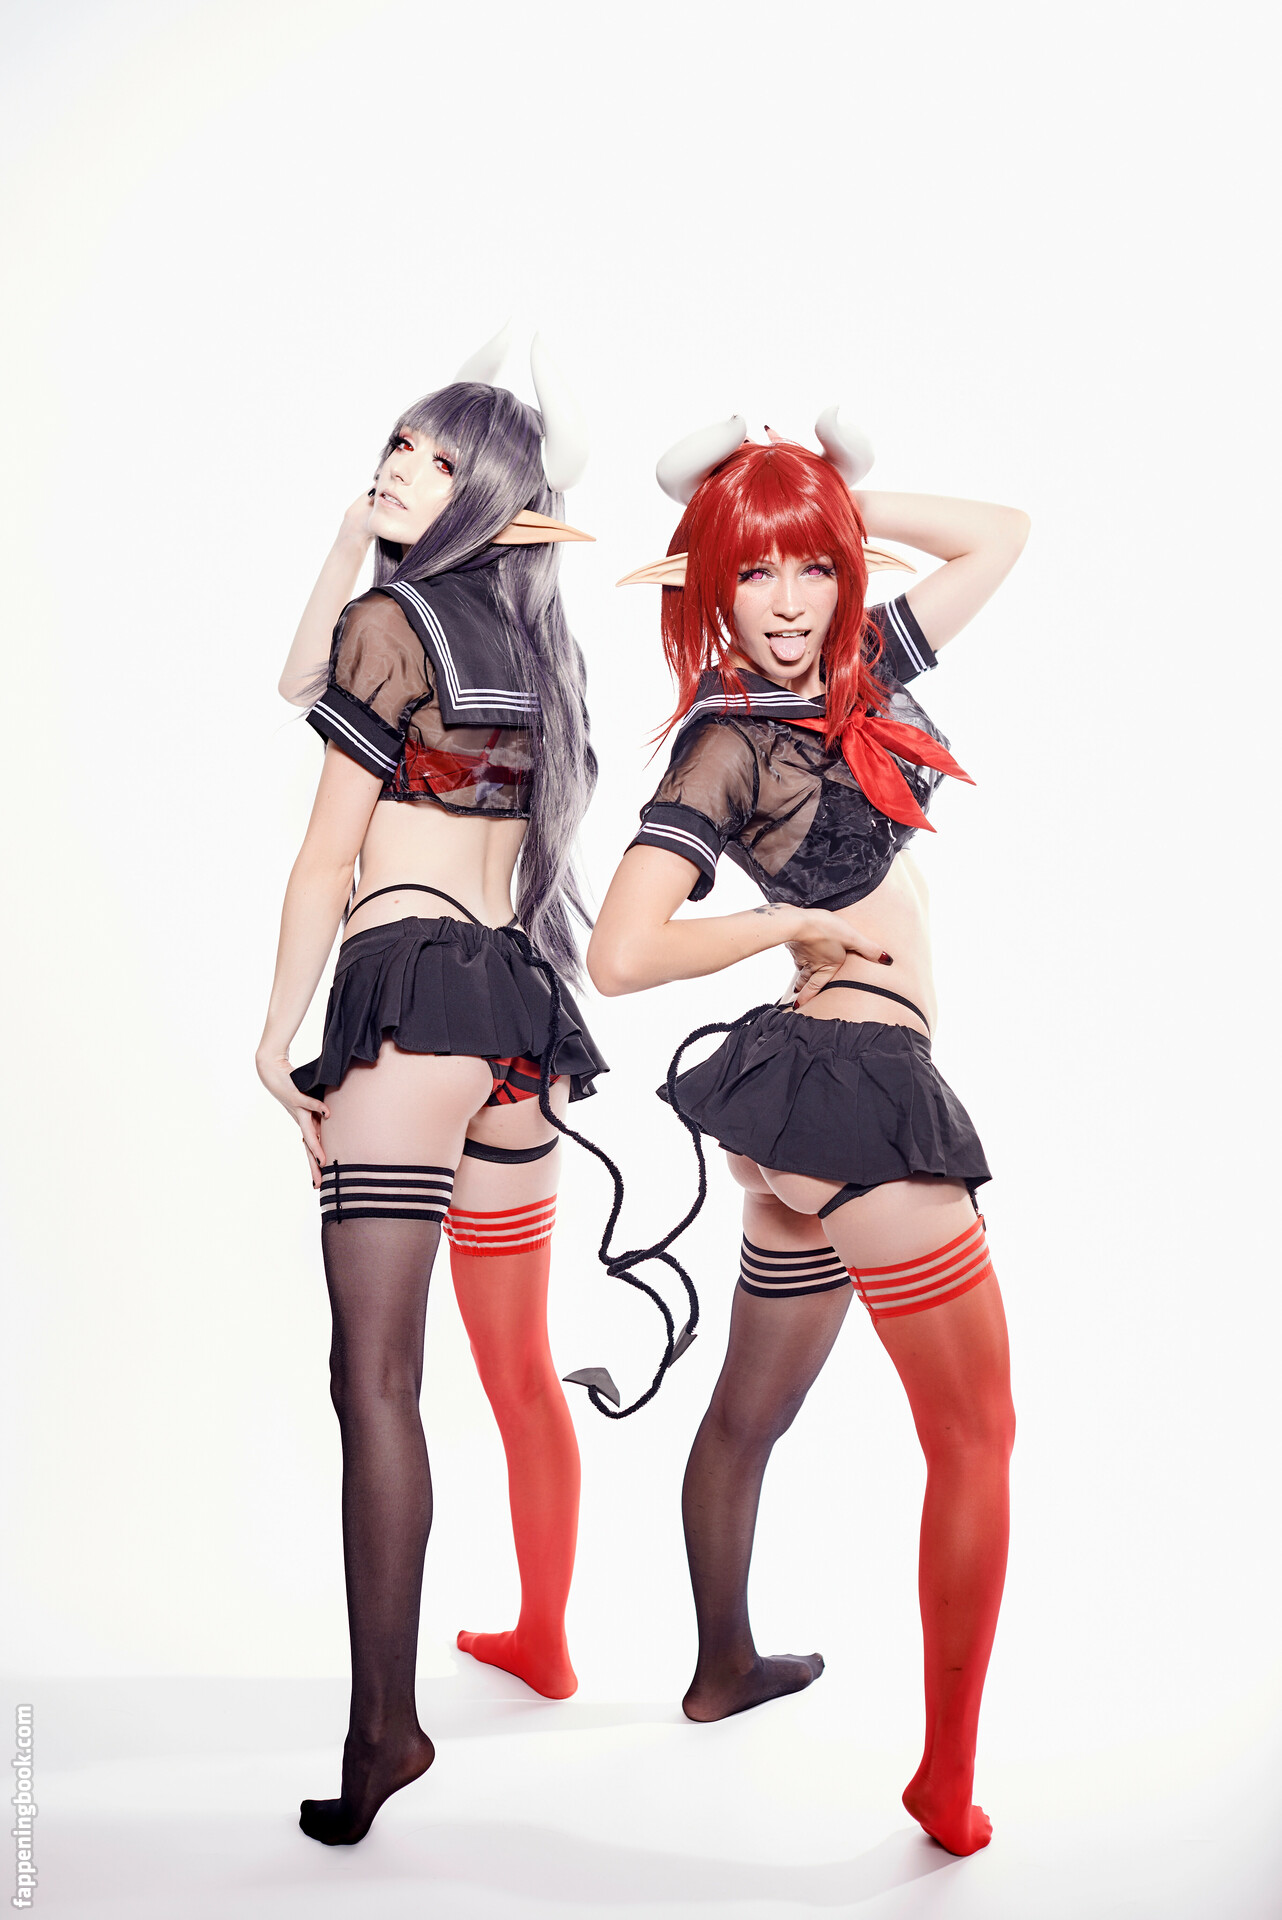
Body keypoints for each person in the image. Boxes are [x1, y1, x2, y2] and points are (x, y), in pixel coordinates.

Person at [585, 411, 1029, 1856]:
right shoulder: (726, 740)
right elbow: (620, 954)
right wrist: (785, 922)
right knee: (976, 1438)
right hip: (857, 1100)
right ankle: (944, 1783)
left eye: (812, 567)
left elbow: (1002, 536)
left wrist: (827, 504)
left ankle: (722, 1667)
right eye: (752, 571)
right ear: (709, 584)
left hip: (797, 1127)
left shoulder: (865, 671)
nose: (785, 603)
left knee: (747, 1412)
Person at [256, 332, 603, 1846]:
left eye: (436, 458)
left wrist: (277, 1036)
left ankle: (385, 1731)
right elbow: (304, 681)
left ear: (490, 496)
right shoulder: (531, 640)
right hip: (517, 1022)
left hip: (406, 1003)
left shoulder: (395, 623)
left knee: (376, 1384)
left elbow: (325, 859)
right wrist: (358, 535)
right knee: (515, 1362)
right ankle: (546, 1637)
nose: (399, 467)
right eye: (396, 444)